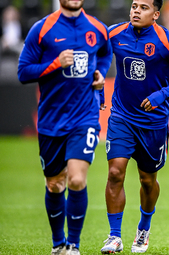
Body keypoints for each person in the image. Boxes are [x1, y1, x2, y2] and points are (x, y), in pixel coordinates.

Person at [100, 0, 169, 253]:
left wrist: (161, 95)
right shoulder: (113, 32)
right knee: (115, 173)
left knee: (147, 180)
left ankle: (143, 229)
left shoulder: (167, 40)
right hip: (121, 116)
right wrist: (98, 85)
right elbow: (97, 56)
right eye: (134, 5)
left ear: (156, 14)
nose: (136, 10)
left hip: (153, 122)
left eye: (143, 7)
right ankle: (114, 237)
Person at [17, 0, 112, 254]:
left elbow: (105, 53)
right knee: (54, 185)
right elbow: (23, 72)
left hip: (85, 117)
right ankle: (58, 243)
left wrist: (101, 74)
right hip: (51, 120)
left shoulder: (97, 28)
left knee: (77, 180)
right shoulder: (42, 29)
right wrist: (55, 64)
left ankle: (74, 245)